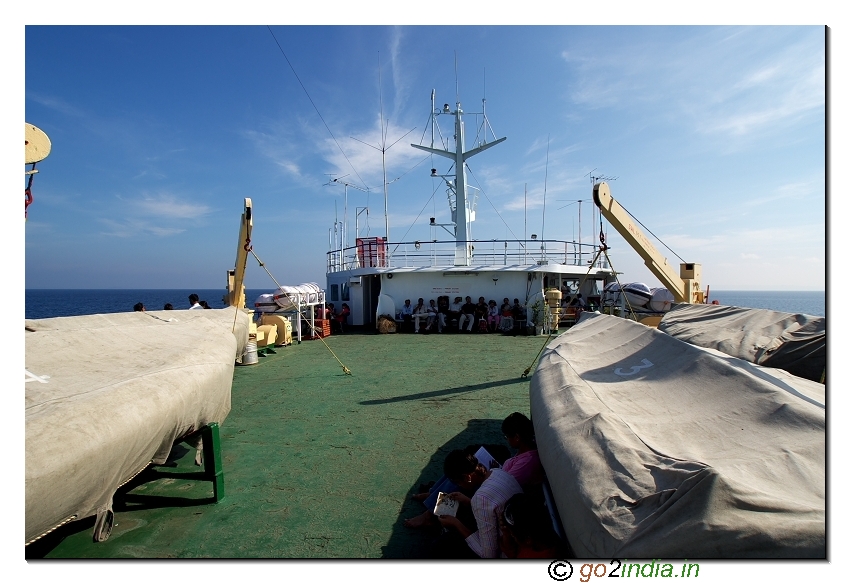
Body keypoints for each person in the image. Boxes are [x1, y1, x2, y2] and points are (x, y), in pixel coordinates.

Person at [434, 449, 524, 558]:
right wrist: (470, 502)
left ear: (467, 477)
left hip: (508, 550)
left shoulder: (481, 498)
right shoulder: (497, 472)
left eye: (457, 482)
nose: (459, 485)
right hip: (520, 534)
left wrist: (456, 524)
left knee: (439, 545)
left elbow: (489, 555)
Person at [499, 493, 562, 559]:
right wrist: (506, 534)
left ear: (528, 539)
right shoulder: (543, 537)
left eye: (513, 535)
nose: (512, 536)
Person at [501, 413, 544, 488]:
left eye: (507, 436)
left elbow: (504, 485)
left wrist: (491, 473)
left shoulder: (526, 463)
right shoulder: (525, 449)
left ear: (517, 437)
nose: (507, 439)